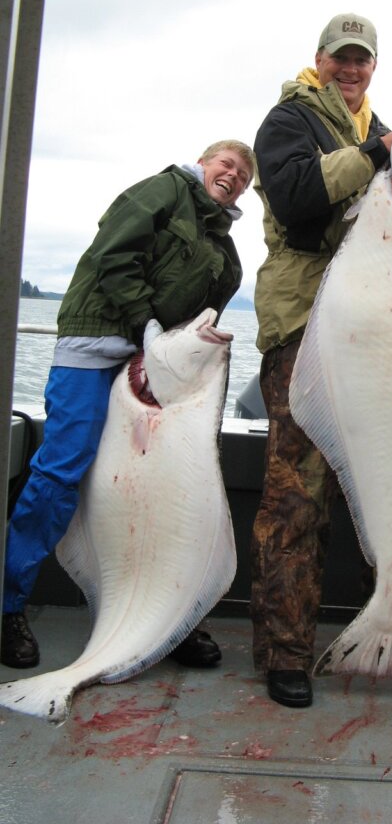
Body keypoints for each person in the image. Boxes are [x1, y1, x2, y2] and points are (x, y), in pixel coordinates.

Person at [250, 12, 392, 709]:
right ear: (319, 60)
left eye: (362, 59)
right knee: (297, 495)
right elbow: (298, 198)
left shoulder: (379, 133)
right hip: (305, 331)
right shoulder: (289, 121)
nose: (351, 68)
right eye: (341, 58)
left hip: (376, 339)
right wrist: (376, 156)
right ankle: (285, 653)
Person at [1, 141, 256, 670]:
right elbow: (114, 253)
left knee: (176, 488)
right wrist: (146, 323)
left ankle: (171, 618)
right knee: (62, 468)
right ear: (203, 164)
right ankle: (7, 605)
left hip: (153, 371)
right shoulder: (164, 190)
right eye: (225, 164)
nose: (232, 175)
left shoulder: (228, 254)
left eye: (244, 173)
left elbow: (197, 322)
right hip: (96, 348)